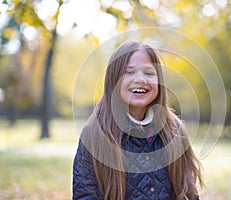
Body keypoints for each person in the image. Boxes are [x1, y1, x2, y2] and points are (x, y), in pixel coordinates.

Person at [72, 41, 204, 200]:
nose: (140, 79)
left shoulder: (175, 131)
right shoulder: (94, 135)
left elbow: (188, 192)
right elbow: (85, 195)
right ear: (114, 80)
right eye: (129, 72)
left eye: (149, 73)